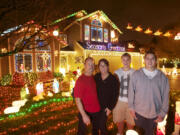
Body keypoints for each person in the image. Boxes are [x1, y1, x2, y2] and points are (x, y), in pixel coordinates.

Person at [128, 51, 170, 135]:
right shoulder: (136, 75)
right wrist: (131, 108)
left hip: (155, 114)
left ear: (156, 61)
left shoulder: (162, 77)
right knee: (140, 133)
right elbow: (131, 92)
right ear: (144, 60)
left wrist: (162, 113)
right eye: (147, 58)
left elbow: (166, 97)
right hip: (139, 113)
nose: (150, 61)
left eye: (152, 59)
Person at [74, 57, 100, 135]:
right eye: (89, 64)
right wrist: (84, 115)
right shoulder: (80, 80)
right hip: (86, 111)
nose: (91, 66)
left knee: (95, 132)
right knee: (82, 132)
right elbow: (77, 100)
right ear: (84, 65)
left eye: (92, 64)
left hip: (96, 111)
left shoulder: (93, 77)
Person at [94, 58, 119, 135]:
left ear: (108, 67)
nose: (102, 67)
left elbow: (115, 95)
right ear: (98, 67)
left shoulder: (113, 79)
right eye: (101, 66)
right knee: (96, 125)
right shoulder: (96, 77)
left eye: (104, 65)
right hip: (96, 106)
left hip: (106, 107)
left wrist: (110, 108)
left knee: (102, 125)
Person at [113, 53, 135, 135]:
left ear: (130, 60)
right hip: (119, 101)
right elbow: (113, 88)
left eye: (127, 59)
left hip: (131, 102)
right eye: (124, 59)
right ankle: (120, 133)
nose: (125, 61)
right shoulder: (117, 72)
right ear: (121, 60)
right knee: (120, 120)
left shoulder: (135, 72)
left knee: (131, 121)